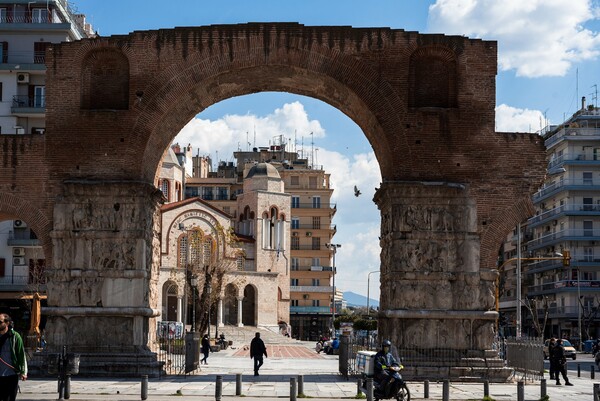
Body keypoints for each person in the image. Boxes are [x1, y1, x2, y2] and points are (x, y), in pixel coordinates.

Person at [0, 313, 27, 401]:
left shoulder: (15, 336)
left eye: (0, 322)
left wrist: (23, 371)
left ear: (7, 323)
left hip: (11, 374)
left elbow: (21, 354)